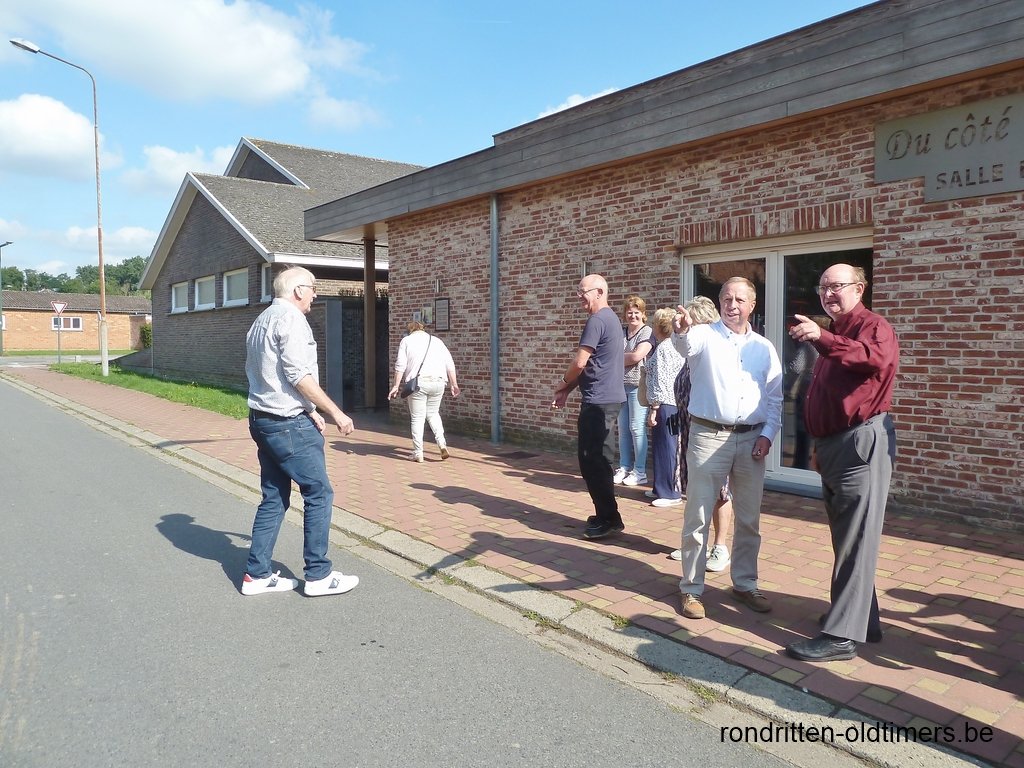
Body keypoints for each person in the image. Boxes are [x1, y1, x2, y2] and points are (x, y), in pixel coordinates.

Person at [785, 264, 899, 662]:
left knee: (856, 538)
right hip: (837, 445)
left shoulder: (873, 327)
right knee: (849, 538)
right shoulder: (837, 332)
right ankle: (863, 619)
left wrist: (822, 337)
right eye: (823, 288)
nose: (828, 294)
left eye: (837, 286)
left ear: (859, 288)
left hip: (861, 443)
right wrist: (821, 445)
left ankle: (841, 636)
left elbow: (873, 359)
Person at [242, 266, 359, 597]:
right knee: (319, 493)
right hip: (287, 424)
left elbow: (273, 375)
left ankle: (257, 574)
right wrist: (335, 412)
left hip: (262, 419)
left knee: (274, 496)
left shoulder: (261, 319)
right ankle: (318, 575)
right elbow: (297, 375)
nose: (315, 294)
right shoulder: (292, 320)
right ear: (297, 291)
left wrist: (310, 410)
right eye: (312, 288)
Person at [671, 277, 783, 620]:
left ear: (752, 306)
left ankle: (745, 584)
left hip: (751, 439)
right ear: (719, 302)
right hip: (708, 436)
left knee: (749, 519)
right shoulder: (703, 335)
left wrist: (768, 434)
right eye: (727, 298)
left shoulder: (764, 347)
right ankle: (691, 588)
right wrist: (681, 331)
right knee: (698, 516)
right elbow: (684, 345)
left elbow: (775, 397)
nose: (732, 305)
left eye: (740, 300)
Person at [551, 274, 626, 539]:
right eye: (578, 291)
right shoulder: (610, 319)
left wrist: (562, 382)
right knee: (596, 459)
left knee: (594, 461)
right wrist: (568, 390)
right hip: (604, 400)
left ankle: (609, 518)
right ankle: (607, 514)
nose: (579, 296)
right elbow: (595, 365)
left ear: (599, 292)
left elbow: (580, 362)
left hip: (599, 403)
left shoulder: (597, 320)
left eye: (583, 291)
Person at [666, 296, 734, 572]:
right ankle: (697, 544)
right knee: (697, 493)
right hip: (690, 430)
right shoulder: (692, 355)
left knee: (720, 492)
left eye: (692, 325)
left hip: (713, 434)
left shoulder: (717, 354)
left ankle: (720, 546)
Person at [388, 320, 461, 462]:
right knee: (433, 414)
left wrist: (396, 386)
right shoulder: (437, 341)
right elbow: (449, 364)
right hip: (439, 382)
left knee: (417, 418)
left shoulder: (406, 341)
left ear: (410, 330)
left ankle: (418, 452)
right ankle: (442, 444)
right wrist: (454, 384)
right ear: (422, 329)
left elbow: (400, 365)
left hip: (418, 384)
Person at [643, 307, 685, 507]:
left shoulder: (664, 348)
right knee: (665, 446)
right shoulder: (675, 346)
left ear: (660, 327)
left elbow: (662, 380)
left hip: (665, 404)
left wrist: (654, 408)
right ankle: (660, 487)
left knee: (666, 447)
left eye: (654, 324)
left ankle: (670, 493)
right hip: (673, 402)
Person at [615, 296, 654, 487]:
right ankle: (624, 467)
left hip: (638, 386)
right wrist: (620, 357)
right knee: (623, 429)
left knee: (637, 428)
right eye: (629, 312)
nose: (633, 316)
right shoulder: (622, 332)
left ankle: (639, 471)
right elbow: (609, 353)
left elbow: (638, 355)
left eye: (637, 312)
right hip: (619, 385)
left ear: (643, 314)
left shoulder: (647, 331)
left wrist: (615, 358)